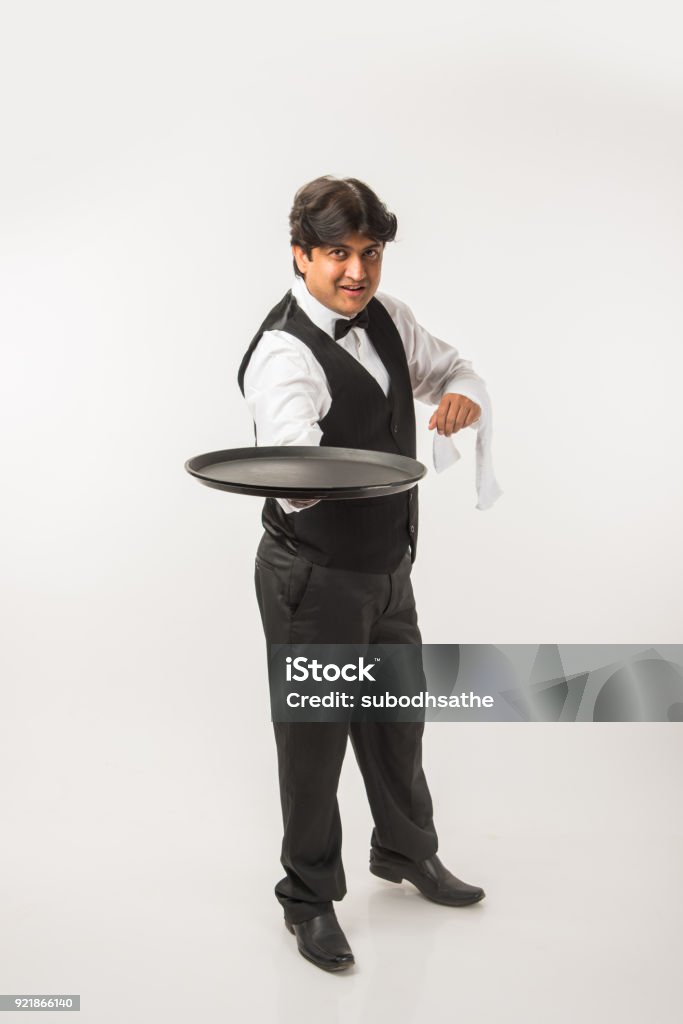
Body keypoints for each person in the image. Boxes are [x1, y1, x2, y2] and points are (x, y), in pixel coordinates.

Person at [237, 175, 501, 972]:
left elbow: (452, 367)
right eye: (337, 254)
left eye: (369, 254)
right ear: (300, 254)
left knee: (396, 722)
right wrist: (334, 468)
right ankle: (308, 900)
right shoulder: (283, 353)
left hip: (388, 567)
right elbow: (293, 472)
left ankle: (404, 851)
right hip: (312, 579)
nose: (356, 272)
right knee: (314, 742)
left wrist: (458, 397)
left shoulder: (387, 317)